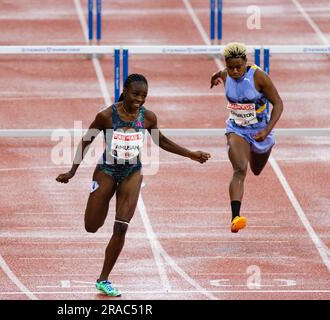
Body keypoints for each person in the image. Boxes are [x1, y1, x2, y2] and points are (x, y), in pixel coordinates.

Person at [56, 74, 211, 297]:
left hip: (132, 173)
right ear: (126, 91)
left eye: (144, 96)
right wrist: (72, 171)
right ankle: (104, 200)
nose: (140, 99)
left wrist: (190, 154)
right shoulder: (106, 116)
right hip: (107, 171)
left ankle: (103, 279)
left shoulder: (147, 117)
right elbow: (86, 140)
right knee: (92, 225)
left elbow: (161, 140)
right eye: (136, 94)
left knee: (121, 226)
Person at [210, 42, 283, 233]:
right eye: (230, 67)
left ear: (245, 62)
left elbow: (278, 104)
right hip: (236, 129)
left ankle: (255, 150)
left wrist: (266, 131)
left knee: (256, 170)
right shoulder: (226, 73)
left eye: (238, 67)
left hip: (260, 131)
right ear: (226, 64)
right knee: (240, 169)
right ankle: (235, 217)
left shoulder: (258, 77)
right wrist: (216, 75)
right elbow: (221, 73)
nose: (234, 71)